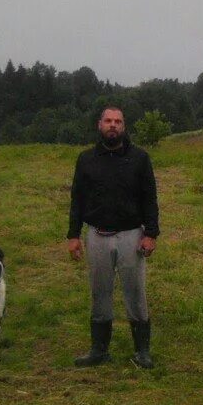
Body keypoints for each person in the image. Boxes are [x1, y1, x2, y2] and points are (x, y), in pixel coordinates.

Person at [66, 106, 160, 368]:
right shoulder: (86, 160)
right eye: (108, 120)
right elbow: (77, 199)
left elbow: (150, 198)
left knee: (135, 293)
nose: (113, 125)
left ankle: (142, 352)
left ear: (124, 126)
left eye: (118, 121)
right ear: (99, 125)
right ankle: (99, 351)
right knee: (100, 293)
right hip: (97, 236)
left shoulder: (140, 159)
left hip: (131, 236)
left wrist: (151, 233)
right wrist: (73, 235)